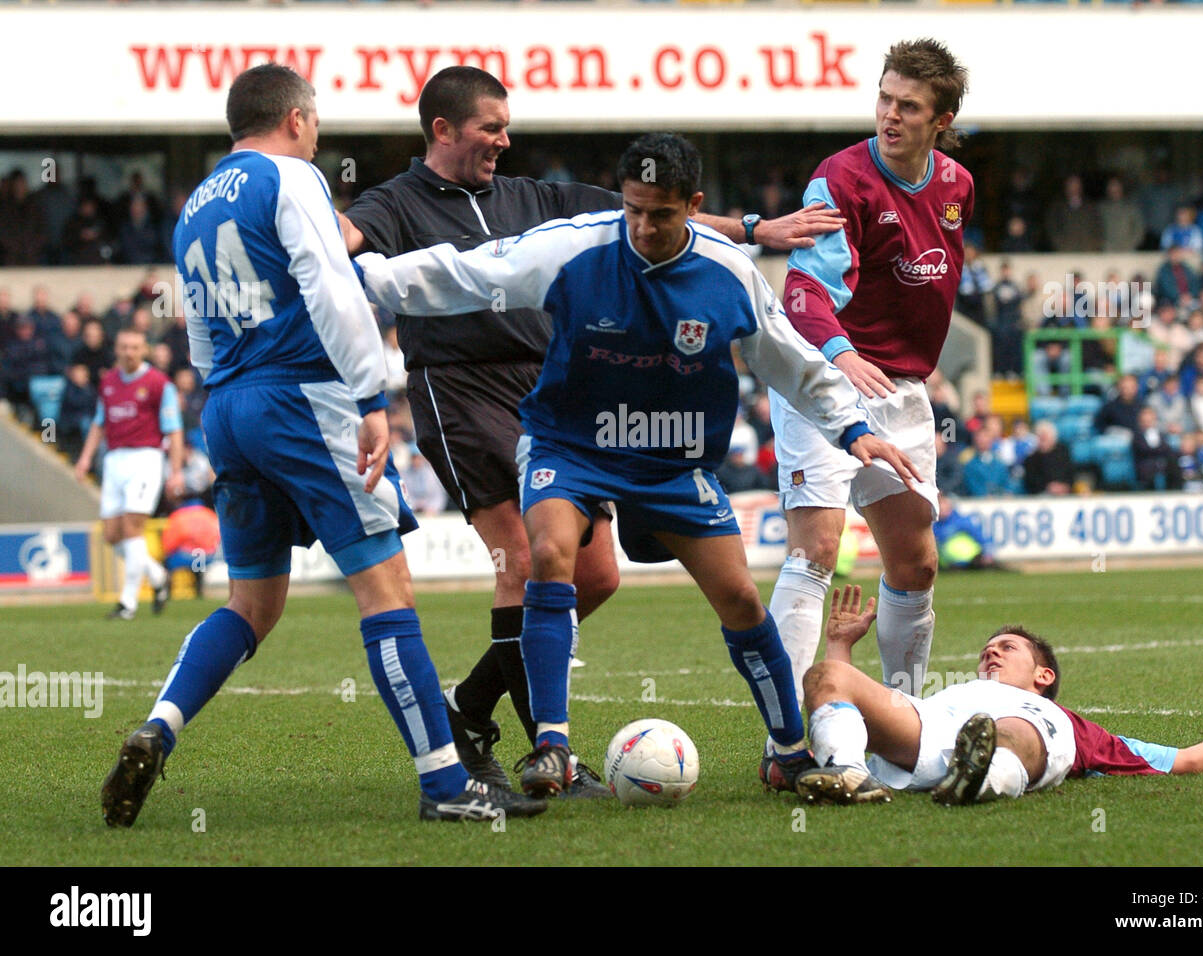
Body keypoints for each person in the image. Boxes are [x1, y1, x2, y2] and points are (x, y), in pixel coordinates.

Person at [353, 132, 921, 798]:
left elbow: (789, 360)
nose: (644, 227)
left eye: (662, 214)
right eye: (634, 210)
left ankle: (791, 753)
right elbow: (466, 273)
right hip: (569, 445)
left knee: (739, 598)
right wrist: (347, 277)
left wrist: (852, 428)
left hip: (672, 460)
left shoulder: (728, 271)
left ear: (694, 205)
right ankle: (552, 747)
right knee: (551, 552)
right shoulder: (574, 246)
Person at [98, 64, 544, 828]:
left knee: (251, 604)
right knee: (387, 591)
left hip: (229, 406)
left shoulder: (194, 206)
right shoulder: (293, 177)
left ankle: (158, 727)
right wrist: (370, 398)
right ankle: (446, 782)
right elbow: (331, 288)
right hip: (303, 399)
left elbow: (202, 334)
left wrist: (230, 397)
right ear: (298, 119)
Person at [766, 40, 972, 794]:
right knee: (817, 549)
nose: (889, 114)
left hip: (900, 390)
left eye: (908, 106)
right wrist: (841, 353)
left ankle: (902, 722)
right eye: (884, 98)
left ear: (940, 120)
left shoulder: (958, 185)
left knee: (914, 563)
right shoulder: (840, 178)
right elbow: (801, 290)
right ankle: (786, 739)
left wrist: (903, 360)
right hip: (819, 372)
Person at [793, 586, 1203, 806]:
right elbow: (846, 694)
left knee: (1014, 731)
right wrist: (839, 646)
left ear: (1044, 675)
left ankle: (982, 777)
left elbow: (1187, 761)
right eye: (988, 648)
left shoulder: (1066, 721)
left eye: (1007, 647)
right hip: (931, 731)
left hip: (1020, 732)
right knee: (822, 676)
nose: (992, 652)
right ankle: (846, 771)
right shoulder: (956, 694)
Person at [74, 328, 185, 619]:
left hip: (145, 458)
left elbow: (174, 430)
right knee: (112, 534)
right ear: (117, 349)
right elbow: (99, 423)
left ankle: (128, 603)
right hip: (114, 460)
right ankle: (158, 575)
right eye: (124, 347)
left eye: (134, 347)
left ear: (143, 350)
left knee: (132, 528)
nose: (128, 352)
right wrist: (85, 459)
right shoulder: (109, 381)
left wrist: (175, 472)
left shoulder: (159, 384)